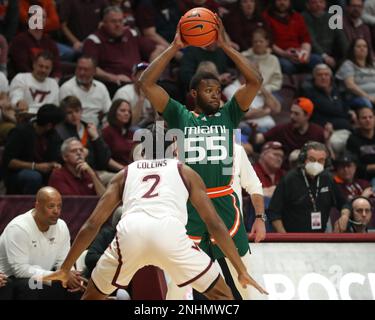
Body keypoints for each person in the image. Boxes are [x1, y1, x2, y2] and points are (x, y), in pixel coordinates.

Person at [43, 130, 268, 300]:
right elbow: (215, 223)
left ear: (141, 151)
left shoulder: (124, 173)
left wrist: (65, 268)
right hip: (170, 233)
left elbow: (92, 224)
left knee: (93, 295)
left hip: (130, 232)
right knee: (223, 296)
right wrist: (240, 269)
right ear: (173, 149)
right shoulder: (185, 170)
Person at [139, 16, 264, 299]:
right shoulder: (179, 115)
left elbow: (255, 80)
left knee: (245, 278)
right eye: (209, 91)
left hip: (224, 204)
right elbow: (146, 83)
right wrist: (173, 47)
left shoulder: (229, 114)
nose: (216, 95)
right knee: (178, 285)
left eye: (219, 91)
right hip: (190, 206)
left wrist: (225, 47)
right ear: (193, 94)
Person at [0, 187, 84, 299]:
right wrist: (58, 275)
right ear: (37, 205)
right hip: (11, 279)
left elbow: (63, 261)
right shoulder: (18, 228)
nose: (56, 211)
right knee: (31, 286)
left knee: (73, 287)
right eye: (51, 206)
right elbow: (20, 270)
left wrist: (70, 274)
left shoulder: (61, 226)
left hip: (43, 276)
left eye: (59, 206)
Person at [268, 141, 350, 232]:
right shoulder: (289, 179)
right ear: (303, 159)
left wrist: (344, 217)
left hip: (320, 238)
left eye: (321, 160)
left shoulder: (328, 178)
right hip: (293, 239)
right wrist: (284, 238)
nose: (316, 164)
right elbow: (273, 212)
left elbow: (344, 204)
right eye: (312, 159)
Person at [2, 104, 64, 194]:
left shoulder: (53, 135)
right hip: (18, 173)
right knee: (33, 176)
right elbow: (9, 161)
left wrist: (54, 164)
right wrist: (36, 166)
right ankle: (27, 205)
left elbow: (57, 155)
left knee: (60, 174)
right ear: (49, 125)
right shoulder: (20, 132)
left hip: (44, 171)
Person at [253, 97, 326, 161]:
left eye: (296, 114)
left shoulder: (318, 132)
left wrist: (327, 140)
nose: (292, 116)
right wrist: (253, 131)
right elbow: (260, 139)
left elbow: (327, 157)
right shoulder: (283, 129)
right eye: (291, 112)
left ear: (307, 116)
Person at [59, 56, 112, 126]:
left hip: (99, 128)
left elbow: (108, 112)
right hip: (75, 128)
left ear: (94, 71)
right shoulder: (67, 88)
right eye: (79, 69)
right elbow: (68, 116)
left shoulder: (101, 87)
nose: (82, 73)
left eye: (86, 70)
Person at [336, 38, 375, 109]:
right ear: (353, 50)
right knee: (365, 102)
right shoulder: (348, 64)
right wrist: (368, 97)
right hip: (359, 98)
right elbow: (350, 85)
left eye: (365, 46)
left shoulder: (373, 64)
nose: (362, 48)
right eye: (359, 46)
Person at [102, 99, 136, 171]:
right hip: (116, 172)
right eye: (123, 110)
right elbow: (105, 159)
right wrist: (124, 170)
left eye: (129, 111)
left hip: (132, 170)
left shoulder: (131, 133)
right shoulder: (107, 132)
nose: (127, 113)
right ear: (114, 112)